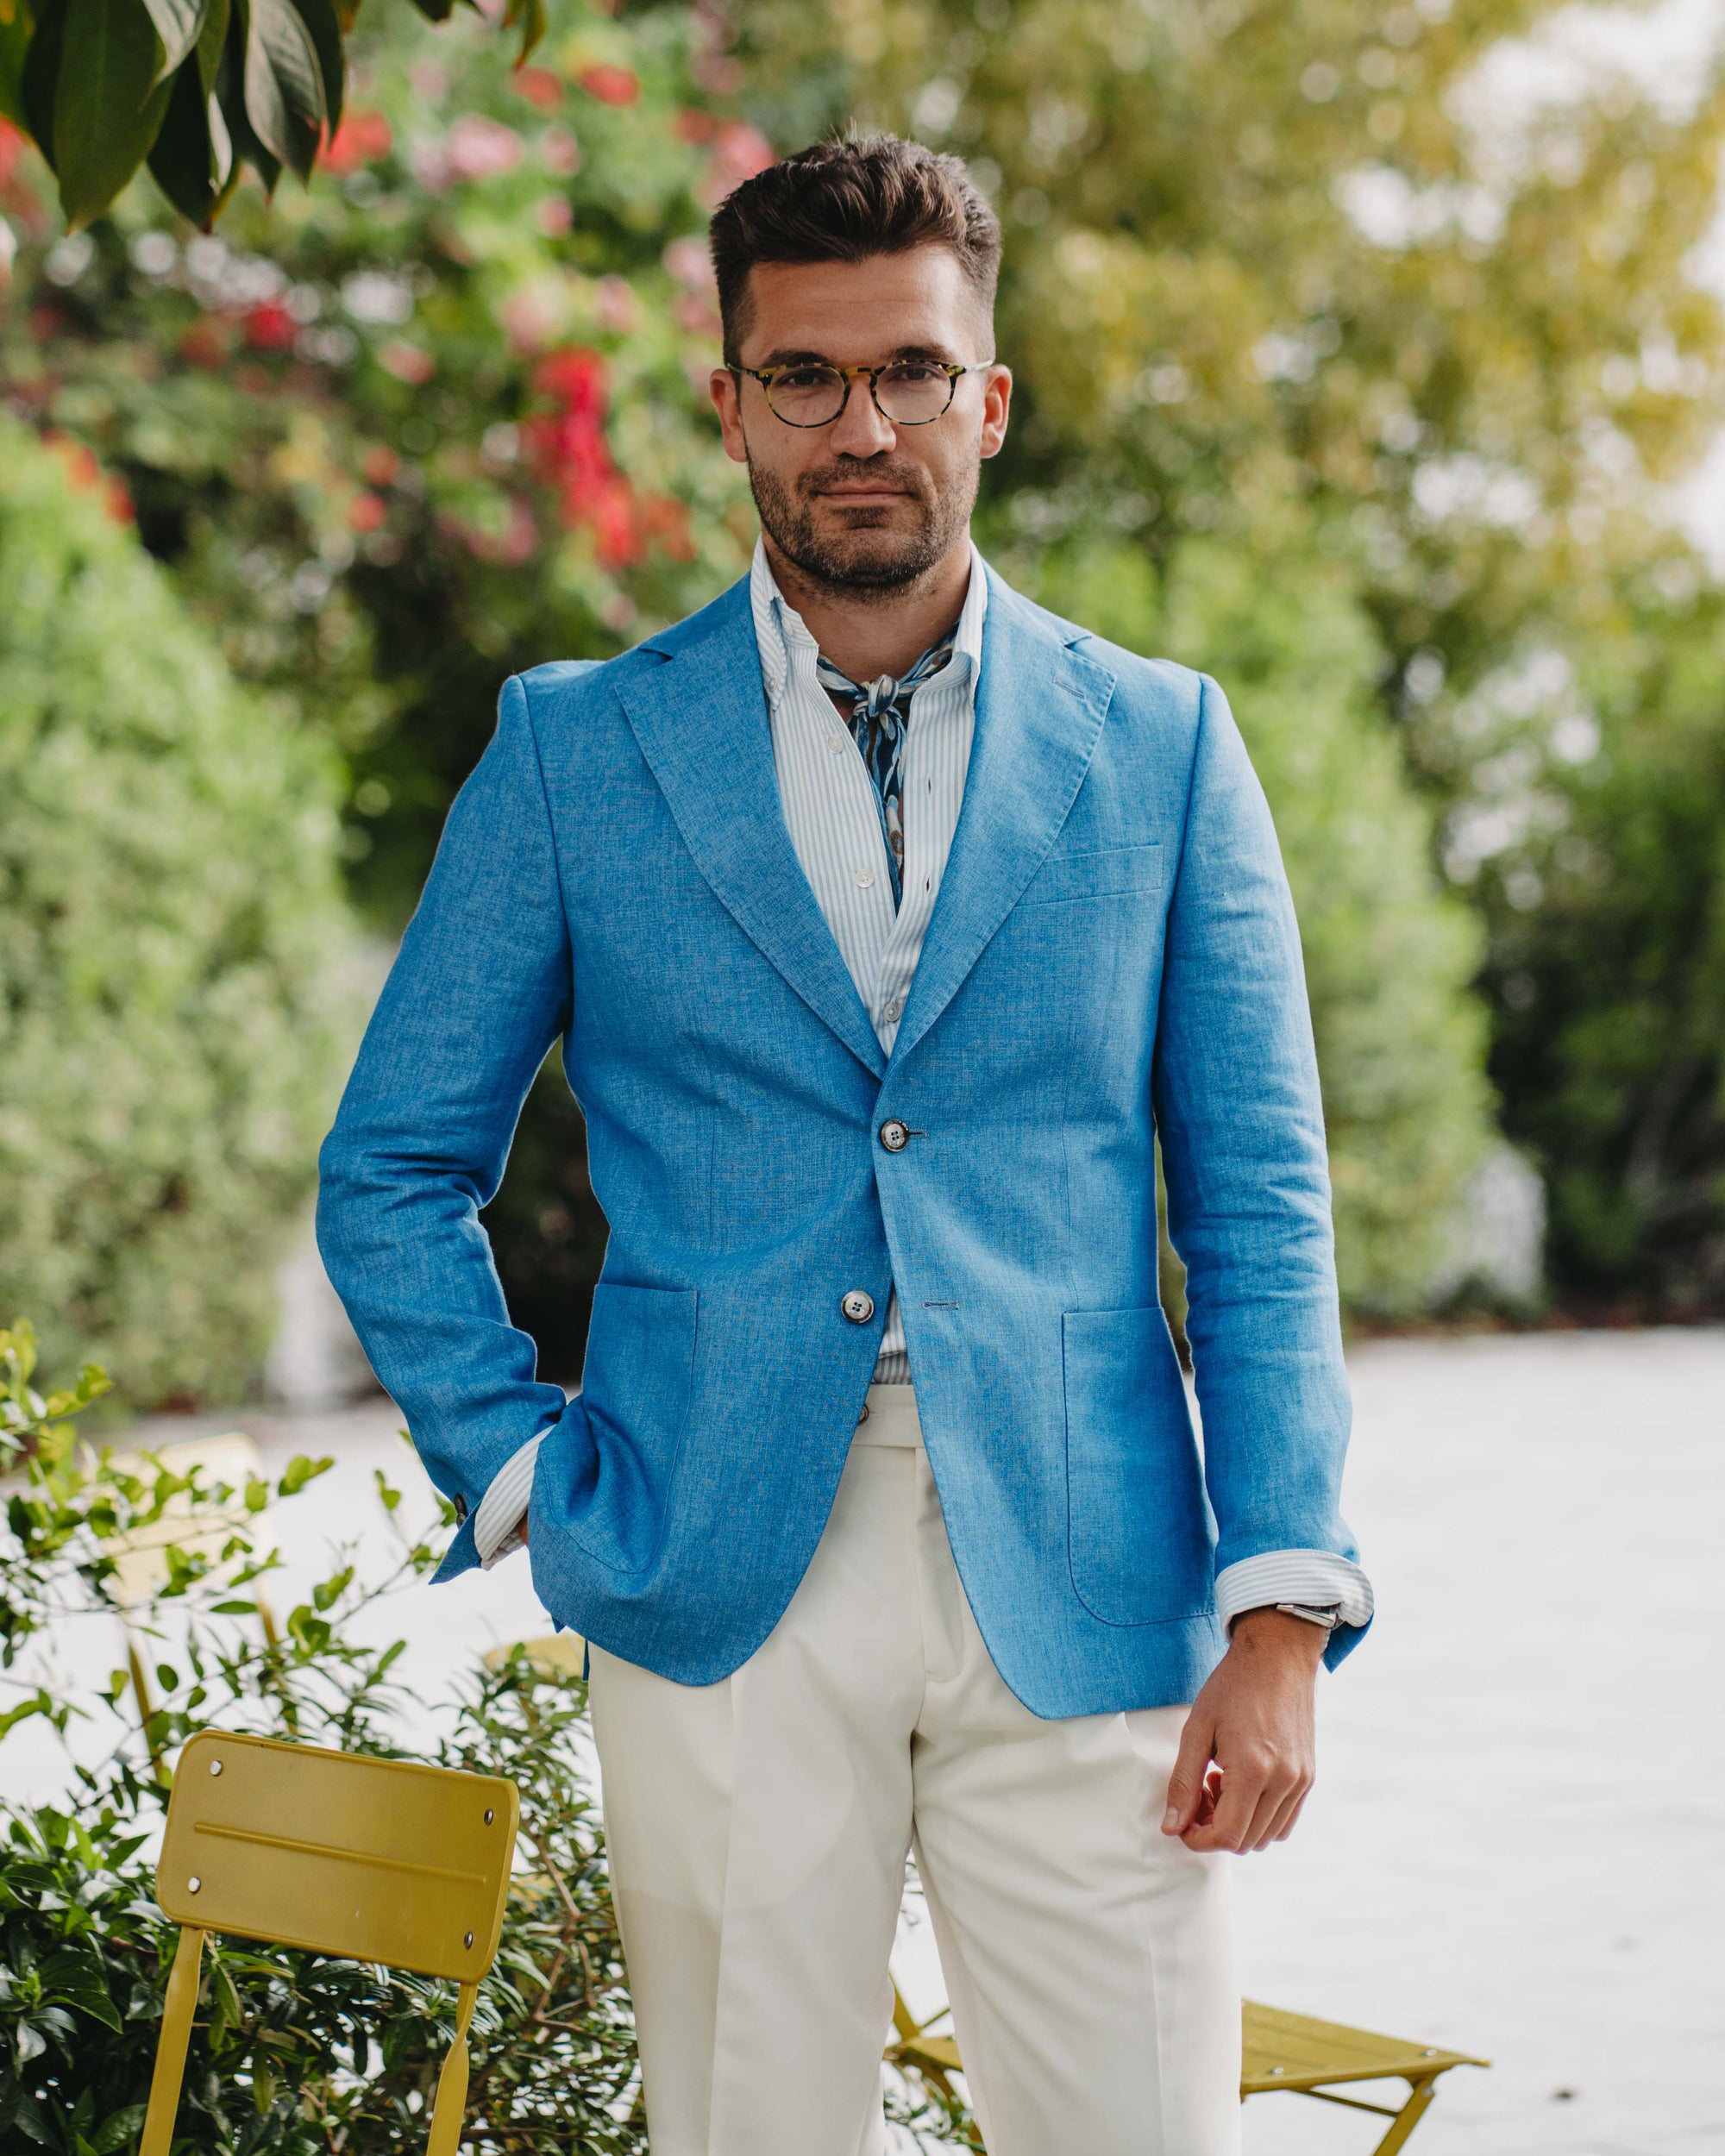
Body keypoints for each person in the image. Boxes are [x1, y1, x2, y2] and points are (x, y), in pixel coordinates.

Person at [317, 133, 1373, 2156]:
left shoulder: (1162, 744)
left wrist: (1280, 1615)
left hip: (1085, 1573)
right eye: (803, 376)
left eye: (907, 370)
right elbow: (391, 1163)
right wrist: (526, 1472)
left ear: (990, 397)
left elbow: (1258, 1211)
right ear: (729, 406)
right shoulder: (575, 750)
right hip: (714, 1557)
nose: (859, 425)